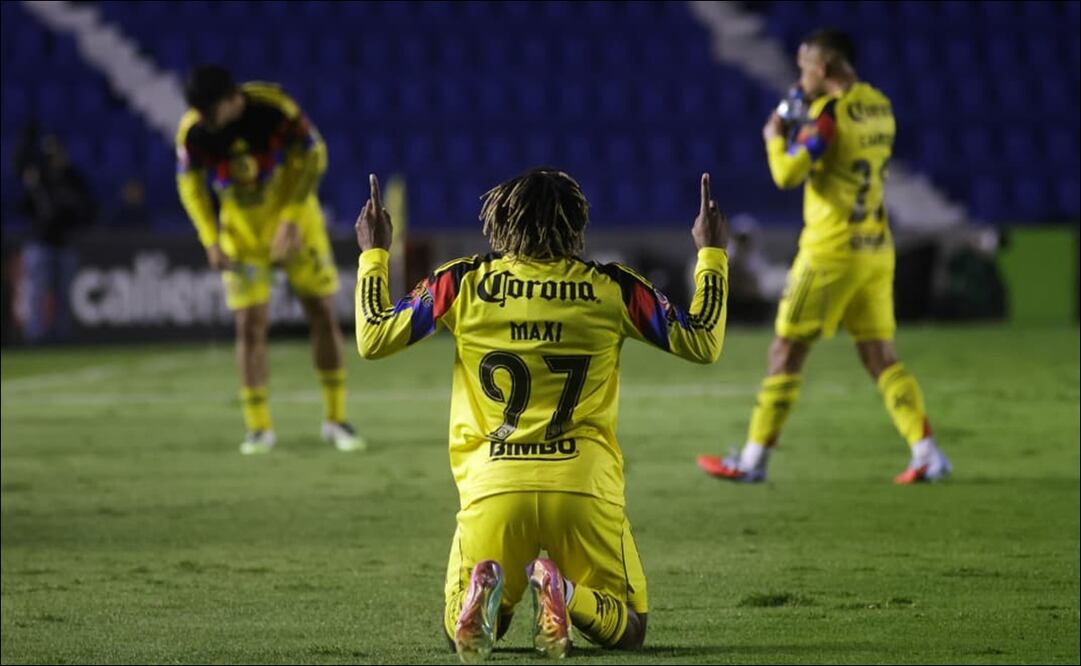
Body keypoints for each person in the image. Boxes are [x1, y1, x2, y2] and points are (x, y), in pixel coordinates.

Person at [354, 170, 728, 660]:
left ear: (501, 222)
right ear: (577, 225)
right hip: (582, 489)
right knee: (631, 627)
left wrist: (374, 253)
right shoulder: (611, 289)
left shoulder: (462, 284)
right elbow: (703, 340)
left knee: (461, 630)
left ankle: (490, 597)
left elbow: (373, 337)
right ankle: (564, 593)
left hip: (494, 489)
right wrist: (711, 253)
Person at [697, 29, 951, 485]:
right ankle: (927, 452)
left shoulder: (827, 117)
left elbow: (787, 173)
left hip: (829, 253)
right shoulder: (879, 106)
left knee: (785, 350)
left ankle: (752, 461)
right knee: (880, 355)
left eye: (805, 67)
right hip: (874, 249)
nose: (800, 75)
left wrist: (775, 136)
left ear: (826, 67)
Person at [175, 65, 364, 455]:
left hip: (296, 225)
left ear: (232, 99)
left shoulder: (274, 108)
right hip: (242, 236)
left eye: (211, 113)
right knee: (249, 324)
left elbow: (314, 157)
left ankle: (336, 419)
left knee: (322, 311)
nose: (205, 122)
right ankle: (258, 428)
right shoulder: (193, 131)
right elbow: (190, 185)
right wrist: (210, 239)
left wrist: (292, 219)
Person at [16, 128, 96, 342]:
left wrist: (65, 205)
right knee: (37, 294)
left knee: (64, 295)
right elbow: (24, 208)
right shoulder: (39, 181)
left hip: (64, 243)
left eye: (56, 154)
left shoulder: (72, 177)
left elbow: (86, 207)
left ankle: (62, 339)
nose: (54, 159)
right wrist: (31, 189)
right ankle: (35, 338)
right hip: (41, 243)